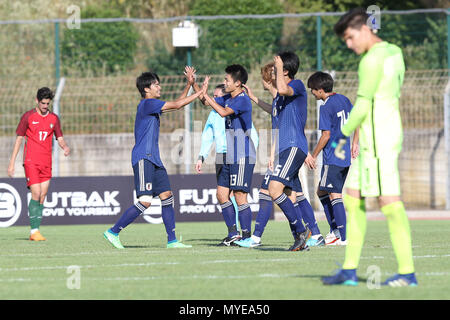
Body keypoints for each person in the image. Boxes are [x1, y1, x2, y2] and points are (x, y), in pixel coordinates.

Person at [322, 8, 417, 287]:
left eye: (351, 38)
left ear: (365, 29)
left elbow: (363, 104)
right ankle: (349, 269)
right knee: (352, 198)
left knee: (389, 204)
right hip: (382, 136)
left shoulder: (370, 61)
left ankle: (408, 273)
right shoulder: (395, 52)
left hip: (379, 142)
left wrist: (342, 136)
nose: (350, 45)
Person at [103, 67, 207, 249]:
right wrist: (201, 92)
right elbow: (177, 105)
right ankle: (113, 232)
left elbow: (176, 104)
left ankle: (172, 241)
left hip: (155, 159)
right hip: (143, 158)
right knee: (145, 200)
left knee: (167, 196)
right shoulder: (147, 104)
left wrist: (190, 85)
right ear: (146, 89)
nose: (159, 87)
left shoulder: (152, 106)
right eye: (156, 85)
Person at [235, 62, 312, 249]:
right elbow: (274, 113)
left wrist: (276, 70)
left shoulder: (296, 86)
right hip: (283, 151)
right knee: (286, 194)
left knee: (274, 190)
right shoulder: (279, 100)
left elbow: (285, 97)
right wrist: (254, 98)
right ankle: (301, 235)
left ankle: (303, 231)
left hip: (291, 148)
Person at [198, 64, 256, 246]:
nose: (224, 82)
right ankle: (234, 233)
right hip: (229, 155)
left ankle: (247, 237)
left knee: (239, 195)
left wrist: (207, 95)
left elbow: (222, 113)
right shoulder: (228, 98)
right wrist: (197, 87)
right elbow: (206, 102)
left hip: (242, 154)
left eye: (227, 80)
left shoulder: (242, 100)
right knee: (222, 195)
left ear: (238, 83)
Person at [8, 87, 70, 241]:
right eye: (42, 103)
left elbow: (59, 137)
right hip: (31, 161)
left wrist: (65, 147)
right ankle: (34, 231)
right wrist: (12, 163)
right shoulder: (28, 117)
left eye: (47, 104)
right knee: (35, 193)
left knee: (42, 196)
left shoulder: (54, 118)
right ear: (37, 100)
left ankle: (36, 230)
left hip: (46, 162)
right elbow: (19, 139)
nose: (44, 106)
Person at [305, 71, 358, 246]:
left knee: (334, 194)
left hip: (333, 157)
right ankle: (336, 231)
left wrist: (313, 155)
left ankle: (342, 237)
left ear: (320, 90)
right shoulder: (343, 99)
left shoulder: (326, 107)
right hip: (343, 156)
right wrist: (355, 143)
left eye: (313, 90)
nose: (312, 93)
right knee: (322, 191)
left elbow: (326, 136)